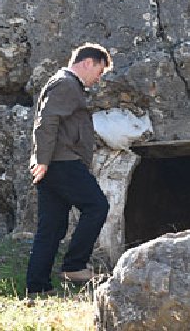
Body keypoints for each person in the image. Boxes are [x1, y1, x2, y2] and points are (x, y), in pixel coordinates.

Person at [25, 43, 112, 296]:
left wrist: (43, 162)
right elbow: (46, 121)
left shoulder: (65, 84)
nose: (98, 79)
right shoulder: (66, 83)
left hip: (53, 164)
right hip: (61, 162)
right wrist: (42, 159)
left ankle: (37, 288)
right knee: (97, 206)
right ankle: (74, 266)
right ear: (88, 63)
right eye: (99, 72)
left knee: (51, 228)